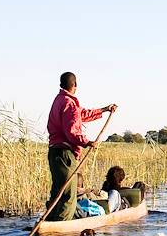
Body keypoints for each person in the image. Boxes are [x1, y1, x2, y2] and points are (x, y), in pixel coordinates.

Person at [46, 72, 115, 222]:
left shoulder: (59, 100)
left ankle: (51, 221)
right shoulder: (68, 103)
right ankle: (62, 225)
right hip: (64, 153)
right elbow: (71, 132)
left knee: (58, 190)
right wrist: (87, 142)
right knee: (68, 193)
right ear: (75, 85)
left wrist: (104, 109)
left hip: (54, 151)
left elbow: (81, 114)